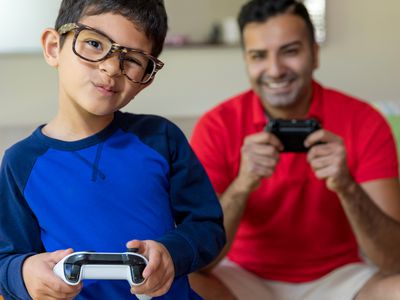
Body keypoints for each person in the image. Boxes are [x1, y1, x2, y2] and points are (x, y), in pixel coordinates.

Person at [0, 0, 226, 299]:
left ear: (146, 78)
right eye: (94, 43)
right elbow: (6, 258)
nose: (110, 68)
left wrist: (171, 254)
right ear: (53, 47)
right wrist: (24, 273)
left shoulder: (161, 138)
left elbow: (208, 227)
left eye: (132, 59)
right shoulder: (21, 162)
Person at [189, 0, 400, 299]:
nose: (275, 70)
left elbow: (394, 261)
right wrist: (242, 185)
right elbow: (202, 261)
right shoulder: (216, 125)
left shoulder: (365, 121)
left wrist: (347, 187)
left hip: (340, 278)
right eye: (259, 56)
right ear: (246, 61)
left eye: (290, 51)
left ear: (314, 53)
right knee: (181, 284)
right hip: (241, 278)